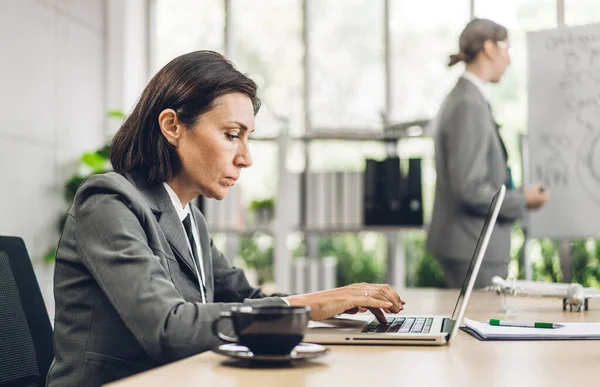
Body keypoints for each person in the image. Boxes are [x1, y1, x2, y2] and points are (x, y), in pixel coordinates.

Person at [46, 51, 405, 387]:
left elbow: (247, 298)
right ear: (172, 126)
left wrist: (335, 304)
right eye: (232, 135)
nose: (246, 158)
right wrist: (310, 305)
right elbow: (168, 327)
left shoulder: (190, 220)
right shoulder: (109, 202)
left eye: (247, 138)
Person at [426, 19, 549, 289]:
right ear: (489, 49)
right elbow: (468, 188)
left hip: (470, 246)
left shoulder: (467, 97)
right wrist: (522, 200)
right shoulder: (468, 103)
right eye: (507, 49)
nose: (508, 59)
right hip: (473, 247)